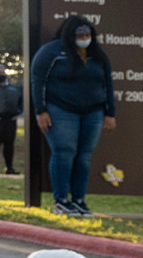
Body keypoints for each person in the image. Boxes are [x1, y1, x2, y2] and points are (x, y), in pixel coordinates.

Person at [30, 13, 116, 216]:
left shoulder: (97, 54)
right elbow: (38, 81)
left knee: (84, 156)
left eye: (87, 34)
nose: (84, 38)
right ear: (70, 34)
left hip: (93, 112)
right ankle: (61, 200)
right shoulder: (51, 52)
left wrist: (110, 112)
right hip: (60, 110)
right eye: (80, 34)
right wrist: (40, 110)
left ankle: (79, 200)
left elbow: (108, 84)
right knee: (64, 152)